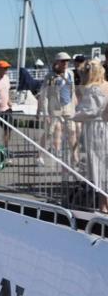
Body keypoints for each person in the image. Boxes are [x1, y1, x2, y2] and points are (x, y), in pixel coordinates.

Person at [72, 59, 108, 213]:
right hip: (105, 127)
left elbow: (90, 111)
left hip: (96, 129)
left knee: (98, 166)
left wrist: (72, 117)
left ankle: (103, 206)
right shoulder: (106, 85)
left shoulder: (93, 89)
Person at [37, 52, 78, 165]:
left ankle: (74, 157)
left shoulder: (70, 74)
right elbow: (44, 95)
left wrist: (74, 106)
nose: (65, 63)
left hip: (68, 106)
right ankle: (40, 154)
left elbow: (72, 90)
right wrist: (45, 113)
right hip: (55, 107)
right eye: (63, 61)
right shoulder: (50, 76)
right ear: (57, 62)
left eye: (67, 61)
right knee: (49, 132)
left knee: (72, 131)